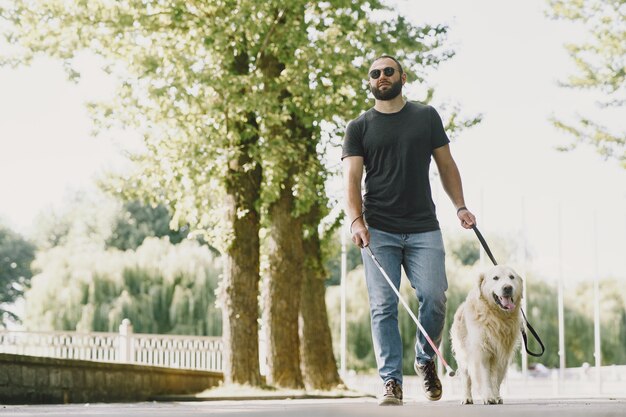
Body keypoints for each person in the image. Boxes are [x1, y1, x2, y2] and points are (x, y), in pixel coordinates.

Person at [342, 55, 476, 406]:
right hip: (379, 230)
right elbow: (352, 179)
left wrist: (460, 205)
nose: (381, 77)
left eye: (388, 71)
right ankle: (390, 381)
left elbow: (446, 165)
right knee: (383, 306)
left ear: (402, 76)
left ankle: (424, 358)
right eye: (375, 74)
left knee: (435, 296)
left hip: (423, 228)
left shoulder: (426, 117)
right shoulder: (359, 127)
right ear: (369, 82)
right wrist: (357, 220)